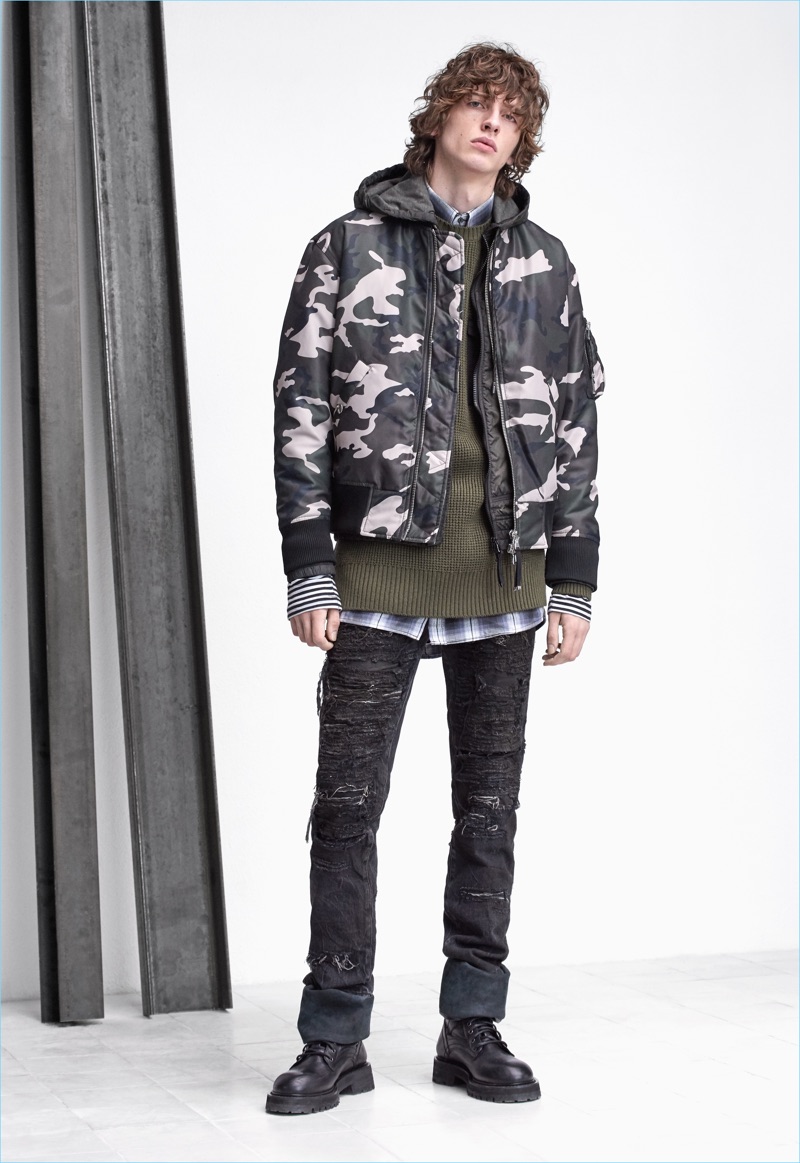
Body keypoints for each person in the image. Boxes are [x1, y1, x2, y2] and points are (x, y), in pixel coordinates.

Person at [267, 41, 604, 1116]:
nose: (493, 122)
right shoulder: (346, 245)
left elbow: (577, 420)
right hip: (373, 574)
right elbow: (300, 408)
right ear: (439, 117)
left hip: (503, 577)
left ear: (522, 138)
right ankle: (333, 1036)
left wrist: (572, 580)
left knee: (488, 811)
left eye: (512, 112)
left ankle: (472, 1026)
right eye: (476, 102)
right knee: (345, 807)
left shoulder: (545, 261)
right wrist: (310, 566)